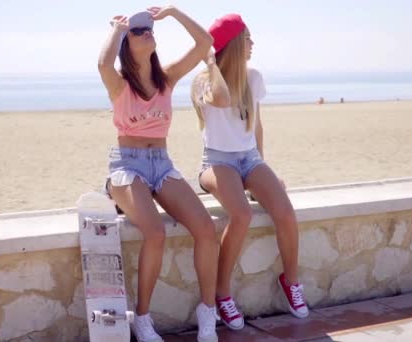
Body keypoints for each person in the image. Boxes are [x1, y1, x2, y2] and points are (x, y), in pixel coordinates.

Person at [98, 7, 219, 342]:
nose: (146, 32)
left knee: (206, 229)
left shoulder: (166, 77)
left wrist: (173, 12)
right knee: (155, 232)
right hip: (127, 164)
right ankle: (142, 318)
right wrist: (117, 29)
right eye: (138, 31)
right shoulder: (120, 84)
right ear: (126, 42)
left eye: (148, 28)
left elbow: (204, 42)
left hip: (162, 164)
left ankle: (207, 312)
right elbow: (102, 64)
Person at [190, 13, 309, 330]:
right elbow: (221, 97)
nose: (253, 43)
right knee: (240, 214)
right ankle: (222, 294)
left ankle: (291, 281)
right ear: (231, 45)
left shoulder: (254, 77)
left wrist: (262, 173)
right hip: (217, 162)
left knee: (283, 209)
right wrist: (213, 62)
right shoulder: (204, 81)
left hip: (248, 159)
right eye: (247, 38)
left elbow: (256, 125)